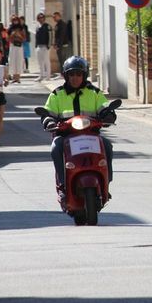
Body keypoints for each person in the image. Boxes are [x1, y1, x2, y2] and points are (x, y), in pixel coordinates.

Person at [42, 56, 113, 208]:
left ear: (84, 75)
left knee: (107, 145)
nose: (75, 78)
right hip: (65, 137)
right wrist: (49, 121)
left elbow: (104, 107)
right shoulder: (57, 94)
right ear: (66, 76)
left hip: (91, 135)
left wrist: (108, 114)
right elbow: (48, 113)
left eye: (78, 74)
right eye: (71, 74)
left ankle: (106, 182)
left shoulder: (94, 92)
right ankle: (62, 185)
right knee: (55, 147)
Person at [7, 16, 26, 84]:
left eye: (16, 20)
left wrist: (19, 35)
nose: (15, 21)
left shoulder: (21, 28)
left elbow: (24, 38)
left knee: (19, 60)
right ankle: (14, 77)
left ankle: (18, 77)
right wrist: (13, 34)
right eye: (13, 20)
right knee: (12, 60)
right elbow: (7, 38)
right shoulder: (10, 28)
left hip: (19, 46)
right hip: (13, 46)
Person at [34, 12, 51, 81]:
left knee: (46, 61)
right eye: (39, 18)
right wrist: (36, 45)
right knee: (40, 62)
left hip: (45, 46)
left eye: (42, 17)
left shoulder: (47, 26)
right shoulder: (37, 27)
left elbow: (50, 36)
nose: (41, 19)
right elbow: (36, 37)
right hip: (39, 46)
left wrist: (48, 45)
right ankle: (41, 76)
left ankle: (48, 76)